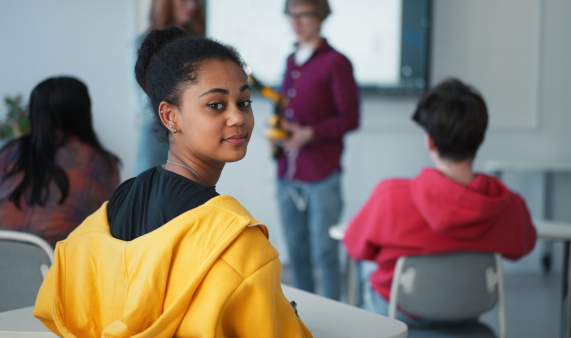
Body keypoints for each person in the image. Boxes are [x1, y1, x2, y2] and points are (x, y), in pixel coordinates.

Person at [33, 27, 312, 338]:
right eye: (216, 105)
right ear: (170, 116)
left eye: (244, 102)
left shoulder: (123, 196)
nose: (238, 118)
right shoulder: (237, 242)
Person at [342, 78, 537, 326]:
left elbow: (355, 247)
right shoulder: (509, 205)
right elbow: (525, 246)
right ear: (480, 140)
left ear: (430, 141)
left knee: (365, 272)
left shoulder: (391, 196)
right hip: (467, 312)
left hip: (398, 314)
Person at [274, 0, 360, 301]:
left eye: (303, 15)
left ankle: (336, 318)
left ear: (321, 17)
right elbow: (285, 108)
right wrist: (278, 131)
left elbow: (350, 118)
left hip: (321, 174)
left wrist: (310, 134)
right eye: (291, 15)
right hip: (287, 172)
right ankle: (304, 318)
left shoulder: (336, 62)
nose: (296, 21)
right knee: (296, 252)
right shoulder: (289, 60)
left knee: (324, 253)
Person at [0, 76, 120, 247]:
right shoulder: (100, 163)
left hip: (4, 262)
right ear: (84, 112)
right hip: (56, 265)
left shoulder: (9, 152)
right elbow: (109, 228)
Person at [134, 0, 205, 175]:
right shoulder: (142, 43)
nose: (192, 6)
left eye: (196, 1)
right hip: (156, 133)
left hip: (192, 132)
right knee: (149, 196)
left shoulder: (201, 43)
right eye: (185, 0)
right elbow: (142, 101)